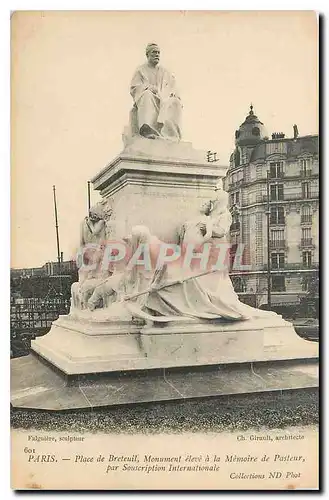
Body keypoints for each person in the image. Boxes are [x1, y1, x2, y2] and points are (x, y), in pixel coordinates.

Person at [129, 43, 182, 140]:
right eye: (154, 52)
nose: (157, 55)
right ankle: (147, 128)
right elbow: (134, 87)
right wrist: (148, 88)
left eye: (158, 53)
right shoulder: (141, 70)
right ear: (148, 55)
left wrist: (173, 94)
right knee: (147, 95)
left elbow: (172, 87)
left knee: (175, 102)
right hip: (150, 97)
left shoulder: (165, 72)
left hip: (163, 98)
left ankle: (170, 134)